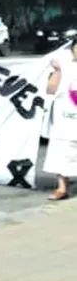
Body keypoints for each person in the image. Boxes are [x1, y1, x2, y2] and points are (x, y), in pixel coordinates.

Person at [45, 39, 77, 201]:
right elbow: (50, 90)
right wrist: (56, 71)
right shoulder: (63, 65)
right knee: (62, 151)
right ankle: (62, 188)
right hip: (65, 116)